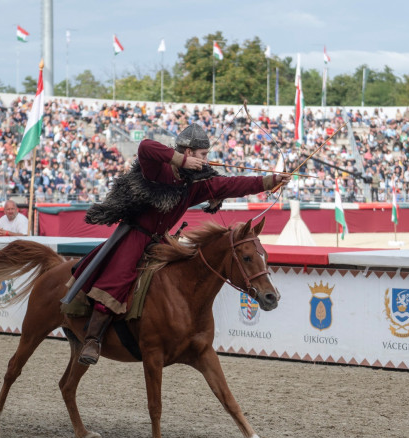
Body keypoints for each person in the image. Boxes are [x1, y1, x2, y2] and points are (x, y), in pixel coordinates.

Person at [67, 123, 291, 366]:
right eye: (203, 155)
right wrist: (178, 160)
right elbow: (145, 147)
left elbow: (232, 184)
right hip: (135, 235)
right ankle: (93, 339)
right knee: (119, 276)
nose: (206, 160)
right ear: (188, 152)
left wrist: (271, 180)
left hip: (161, 239)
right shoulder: (158, 171)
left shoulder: (194, 185)